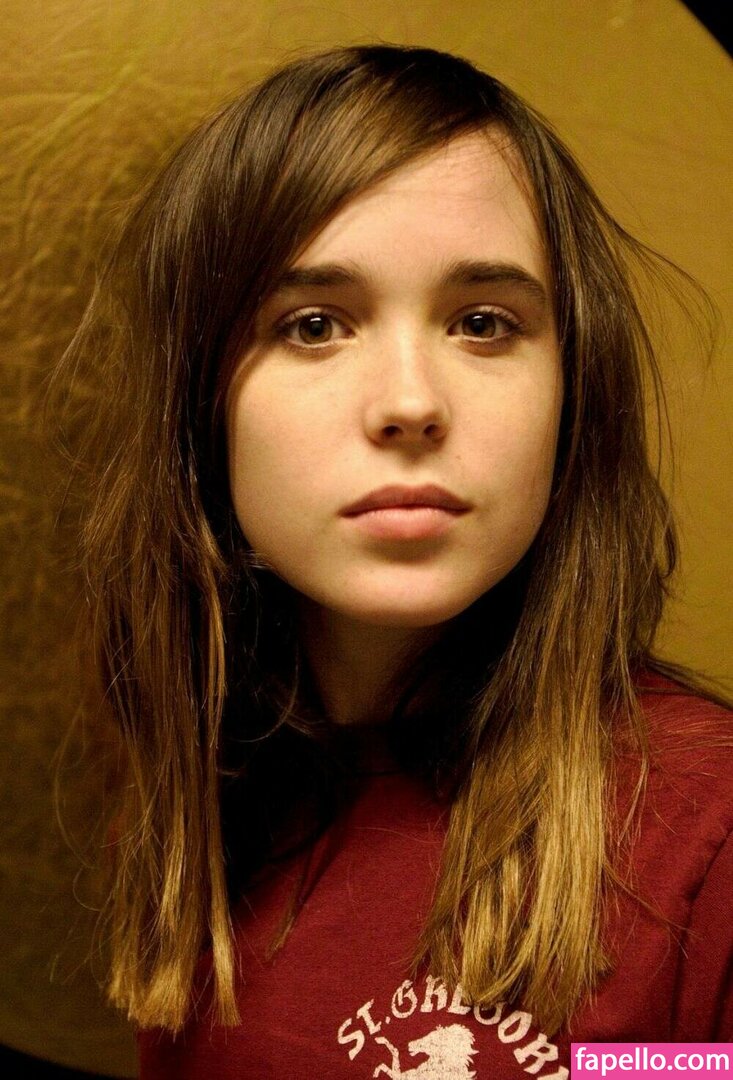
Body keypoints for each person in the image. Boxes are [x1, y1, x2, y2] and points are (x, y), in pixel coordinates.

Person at [58, 44, 732, 1077]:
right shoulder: (193, 805)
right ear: (200, 409)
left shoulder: (707, 836)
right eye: (313, 326)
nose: (410, 403)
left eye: (483, 324)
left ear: (572, 397)